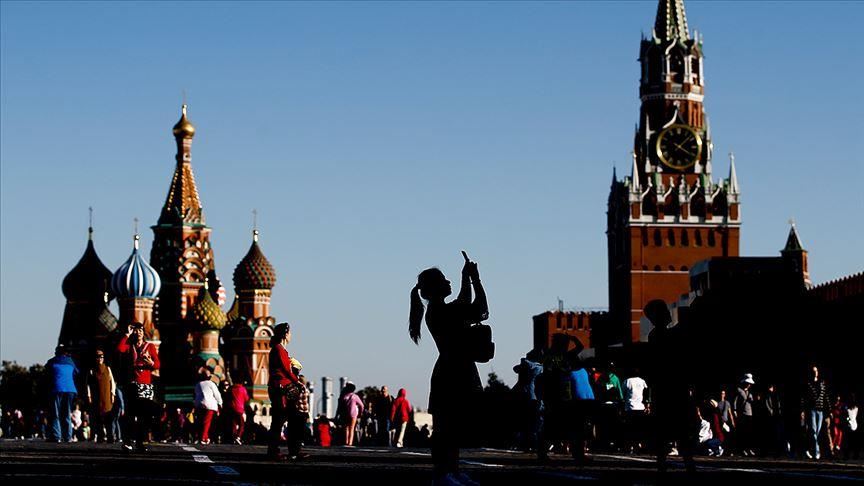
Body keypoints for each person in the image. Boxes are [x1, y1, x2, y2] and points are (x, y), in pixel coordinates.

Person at [409, 255, 488, 486]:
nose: (448, 282)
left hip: (454, 369)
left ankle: (451, 470)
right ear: (434, 287)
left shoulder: (441, 309)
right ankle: (442, 473)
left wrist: (468, 278)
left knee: (453, 427)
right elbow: (477, 308)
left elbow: (466, 304)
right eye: (444, 279)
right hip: (452, 371)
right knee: (446, 427)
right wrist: (474, 280)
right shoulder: (439, 311)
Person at [644, 299, 695, 474]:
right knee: (675, 428)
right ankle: (682, 463)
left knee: (671, 429)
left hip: (667, 388)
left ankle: (668, 463)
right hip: (670, 389)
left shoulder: (658, 335)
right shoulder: (659, 335)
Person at [116, 321, 160, 452]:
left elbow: (157, 364)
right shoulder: (130, 346)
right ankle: (128, 441)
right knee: (130, 414)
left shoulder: (150, 346)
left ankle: (141, 442)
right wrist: (126, 334)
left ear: (143, 332)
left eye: (140, 330)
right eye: (136, 330)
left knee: (144, 416)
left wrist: (150, 362)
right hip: (132, 384)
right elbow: (120, 349)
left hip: (145, 385)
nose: (138, 332)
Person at [267, 322, 307, 460]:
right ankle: (275, 451)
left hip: (283, 388)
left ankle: (294, 450)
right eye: (290, 333)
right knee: (279, 420)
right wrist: (297, 382)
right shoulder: (279, 349)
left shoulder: (280, 349)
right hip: (281, 389)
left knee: (291, 419)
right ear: (285, 334)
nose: (291, 336)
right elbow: (286, 369)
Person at [46, 344, 78, 443]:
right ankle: (68, 437)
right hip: (70, 389)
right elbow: (76, 373)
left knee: (55, 414)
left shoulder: (51, 362)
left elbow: (46, 375)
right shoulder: (71, 362)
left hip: (56, 388)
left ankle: (57, 436)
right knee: (66, 413)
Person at [84, 348, 116, 443]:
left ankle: (110, 437)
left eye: (102, 356)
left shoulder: (108, 368)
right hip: (96, 397)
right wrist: (89, 395)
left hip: (107, 397)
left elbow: (112, 382)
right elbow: (88, 385)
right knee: (98, 418)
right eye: (98, 356)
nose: (100, 358)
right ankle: (100, 436)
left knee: (108, 418)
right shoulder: (91, 370)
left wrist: (113, 394)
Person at [801, 365, 829, 460]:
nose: (815, 372)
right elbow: (804, 398)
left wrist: (829, 412)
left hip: (820, 410)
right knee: (813, 430)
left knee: (817, 432)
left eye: (816, 371)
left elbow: (826, 397)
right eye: (813, 371)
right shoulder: (808, 384)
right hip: (812, 409)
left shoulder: (822, 383)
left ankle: (809, 449)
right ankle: (817, 451)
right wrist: (803, 410)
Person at [193, 368, 222, 445]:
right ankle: (203, 437)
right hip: (210, 405)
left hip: (199, 404)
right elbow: (217, 395)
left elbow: (195, 394)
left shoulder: (198, 384)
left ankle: (204, 437)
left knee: (200, 421)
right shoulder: (211, 384)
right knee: (207, 422)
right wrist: (220, 403)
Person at [623, 368, 649, 453]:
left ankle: (630, 446)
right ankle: (638, 445)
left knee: (630, 428)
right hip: (640, 407)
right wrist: (647, 404)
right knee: (639, 428)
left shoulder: (627, 381)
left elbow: (623, 392)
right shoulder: (642, 381)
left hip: (630, 408)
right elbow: (646, 392)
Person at [734, 373, 756, 456]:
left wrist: (752, 400)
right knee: (743, 432)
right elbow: (735, 401)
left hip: (749, 414)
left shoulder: (750, 392)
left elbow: (752, 402)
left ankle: (749, 449)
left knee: (749, 432)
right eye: (748, 383)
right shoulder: (739, 390)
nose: (749, 385)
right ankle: (742, 449)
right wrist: (735, 410)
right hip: (742, 413)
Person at [226, 380, 250, 445]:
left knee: (234, 423)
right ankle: (238, 436)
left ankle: (234, 436)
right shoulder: (242, 389)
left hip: (231, 408)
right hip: (239, 409)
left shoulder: (231, 388)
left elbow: (227, 397)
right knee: (241, 424)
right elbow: (246, 399)